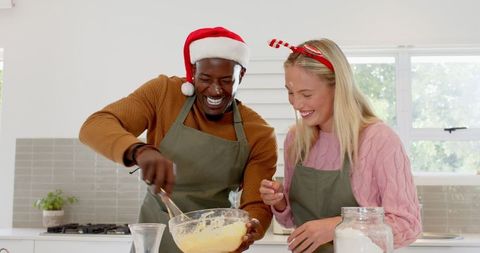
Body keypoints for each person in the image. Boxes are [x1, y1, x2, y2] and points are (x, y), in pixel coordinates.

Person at [79, 27, 277, 252]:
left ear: (240, 76)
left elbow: (255, 205)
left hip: (217, 244)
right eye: (205, 79)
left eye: (226, 81)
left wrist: (251, 228)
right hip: (156, 241)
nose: (215, 90)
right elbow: (94, 125)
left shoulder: (259, 132)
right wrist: (139, 151)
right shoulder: (163, 94)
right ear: (192, 72)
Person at [260, 38, 421, 253]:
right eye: (290, 92)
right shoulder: (296, 139)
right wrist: (279, 201)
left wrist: (338, 226)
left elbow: (408, 225)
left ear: (338, 88)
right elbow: (291, 221)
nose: (297, 104)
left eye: (306, 94)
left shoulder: (378, 140)